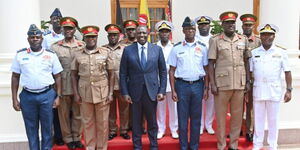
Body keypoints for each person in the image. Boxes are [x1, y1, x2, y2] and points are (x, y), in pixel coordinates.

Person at [11, 24, 63, 150]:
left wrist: (58, 96)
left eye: (37, 37)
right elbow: (15, 77)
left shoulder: (50, 55)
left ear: (42, 39)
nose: (35, 39)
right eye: (32, 37)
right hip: (27, 96)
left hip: (47, 95)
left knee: (47, 128)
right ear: (28, 39)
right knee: (31, 128)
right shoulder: (20, 55)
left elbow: (58, 76)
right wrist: (14, 99)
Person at [208, 11, 251, 150]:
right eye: (227, 22)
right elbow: (210, 63)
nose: (231, 25)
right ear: (222, 24)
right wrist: (212, 84)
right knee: (221, 118)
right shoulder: (216, 40)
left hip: (239, 83)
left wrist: (248, 81)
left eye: (233, 22)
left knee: (237, 117)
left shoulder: (243, 39)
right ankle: (221, 145)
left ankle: (233, 145)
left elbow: (246, 61)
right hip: (222, 85)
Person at [119, 25, 167, 150]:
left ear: (148, 34)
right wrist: (124, 92)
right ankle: (137, 146)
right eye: (139, 33)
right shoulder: (128, 50)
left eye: (144, 33)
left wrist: (162, 90)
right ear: (135, 34)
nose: (141, 35)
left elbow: (162, 71)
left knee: (152, 122)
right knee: (136, 123)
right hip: (134, 92)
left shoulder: (156, 49)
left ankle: (154, 145)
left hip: (152, 91)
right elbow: (123, 73)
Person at [168, 16, 209, 150]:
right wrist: (173, 90)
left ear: (195, 30)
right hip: (182, 86)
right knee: (183, 119)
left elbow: (206, 69)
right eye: (187, 29)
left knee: (196, 119)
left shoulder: (202, 48)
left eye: (192, 28)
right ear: (183, 31)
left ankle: (194, 146)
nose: (190, 31)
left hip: (198, 85)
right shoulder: (176, 48)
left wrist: (206, 88)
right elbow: (172, 70)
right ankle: (184, 146)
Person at [71, 25, 114, 150]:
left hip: (102, 92)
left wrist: (110, 93)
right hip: (84, 93)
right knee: (87, 123)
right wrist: (76, 94)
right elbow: (73, 75)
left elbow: (111, 74)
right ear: (84, 38)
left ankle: (101, 147)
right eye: (88, 37)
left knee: (103, 124)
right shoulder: (77, 54)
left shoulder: (105, 52)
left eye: (93, 37)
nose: (91, 39)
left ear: (97, 37)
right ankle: (90, 147)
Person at [250, 24, 292, 150]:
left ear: (274, 36)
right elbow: (250, 73)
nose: (266, 37)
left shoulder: (281, 52)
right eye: (264, 34)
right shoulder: (254, 53)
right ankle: (257, 144)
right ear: (260, 36)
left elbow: (288, 72)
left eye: (269, 34)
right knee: (258, 120)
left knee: (273, 120)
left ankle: (272, 145)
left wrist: (289, 90)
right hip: (258, 90)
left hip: (274, 90)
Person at [51, 17, 85, 149]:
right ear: (62, 30)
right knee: (63, 114)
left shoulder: (81, 45)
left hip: (79, 84)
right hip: (63, 85)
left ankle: (77, 137)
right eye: (66, 28)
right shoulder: (55, 47)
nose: (68, 31)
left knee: (78, 113)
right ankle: (68, 138)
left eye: (70, 28)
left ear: (75, 29)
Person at [102, 24, 130, 140]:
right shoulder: (102, 49)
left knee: (124, 109)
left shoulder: (126, 49)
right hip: (107, 85)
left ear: (119, 36)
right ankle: (112, 130)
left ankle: (124, 129)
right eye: (111, 35)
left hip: (122, 83)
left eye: (115, 35)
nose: (113, 37)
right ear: (108, 36)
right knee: (110, 110)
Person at [42, 8, 65, 146]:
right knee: (54, 107)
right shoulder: (45, 37)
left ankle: (70, 134)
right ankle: (58, 135)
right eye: (53, 18)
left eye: (58, 18)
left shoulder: (69, 35)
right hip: (52, 76)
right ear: (50, 21)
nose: (56, 20)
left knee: (68, 107)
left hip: (67, 75)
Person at [155, 20, 179, 139]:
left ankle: (174, 129)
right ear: (158, 33)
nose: (164, 34)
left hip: (172, 82)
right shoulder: (154, 47)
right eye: (162, 32)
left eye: (166, 32)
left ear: (169, 33)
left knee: (173, 107)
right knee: (160, 107)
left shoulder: (174, 47)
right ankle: (161, 129)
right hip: (159, 82)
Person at [240, 13, 261, 142]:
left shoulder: (258, 41)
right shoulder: (237, 39)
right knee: (237, 107)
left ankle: (249, 131)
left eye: (250, 25)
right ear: (242, 26)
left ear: (253, 26)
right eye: (245, 25)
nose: (247, 27)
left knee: (250, 107)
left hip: (252, 79)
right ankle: (236, 131)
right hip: (238, 78)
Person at [194, 15, 215, 135]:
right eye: (201, 25)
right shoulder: (194, 39)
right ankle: (200, 125)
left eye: (205, 24)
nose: (203, 27)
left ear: (209, 26)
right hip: (199, 74)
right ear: (198, 26)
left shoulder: (214, 39)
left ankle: (209, 124)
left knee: (211, 101)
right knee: (199, 101)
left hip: (212, 73)